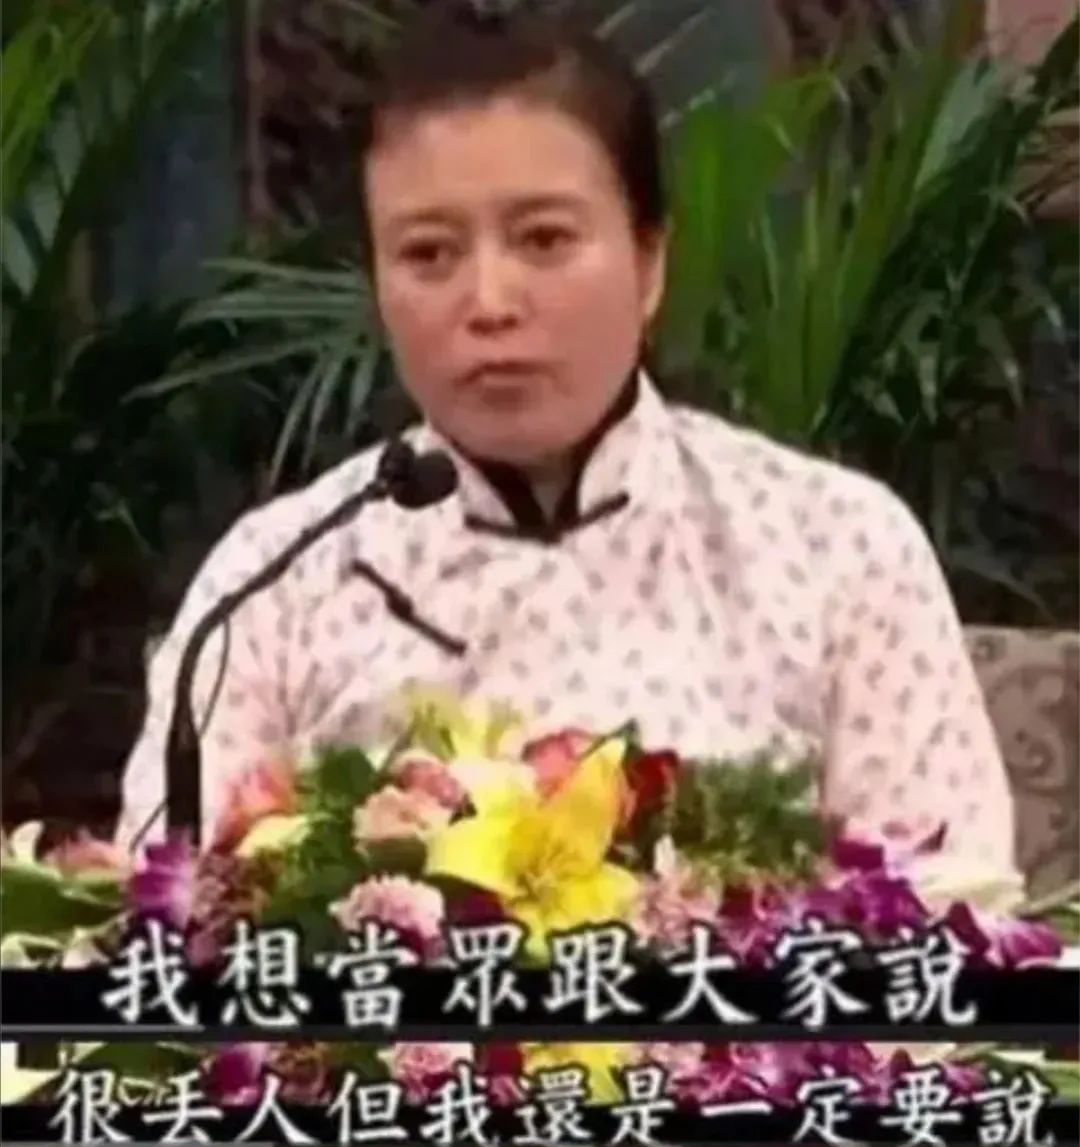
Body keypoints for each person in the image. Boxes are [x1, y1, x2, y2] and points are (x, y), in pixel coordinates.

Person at [117, 3, 1015, 875]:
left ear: (650, 260)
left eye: (544, 239)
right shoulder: (276, 581)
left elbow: (952, 921)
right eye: (428, 254)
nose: (490, 302)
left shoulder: (837, 547)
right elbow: (162, 925)